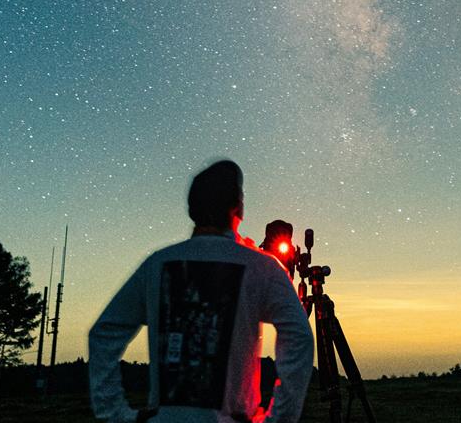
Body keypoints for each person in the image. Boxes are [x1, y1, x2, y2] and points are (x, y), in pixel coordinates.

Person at [89, 160, 314, 423]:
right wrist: (280, 418)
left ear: (192, 208)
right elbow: (299, 338)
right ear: (238, 207)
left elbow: (104, 333)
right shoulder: (262, 268)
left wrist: (116, 414)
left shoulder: (156, 264)